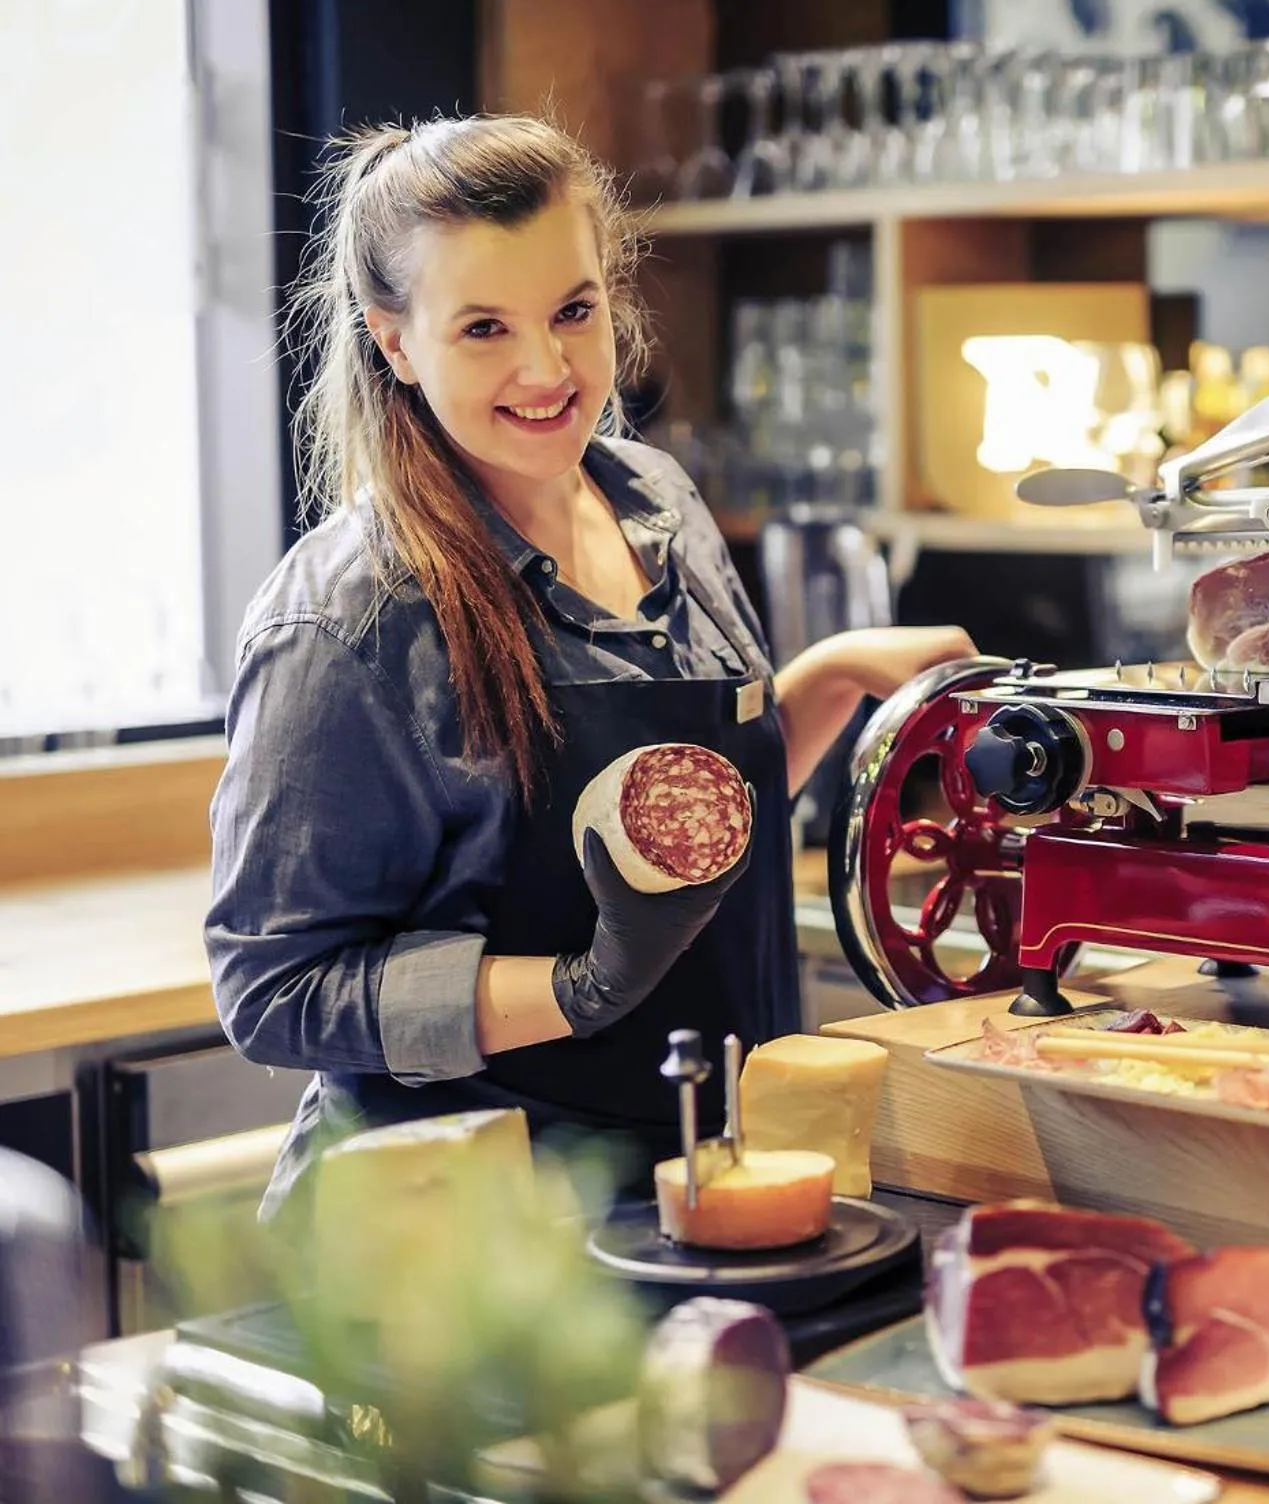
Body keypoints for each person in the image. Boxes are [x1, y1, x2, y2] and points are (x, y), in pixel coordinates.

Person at [205, 114, 976, 1217]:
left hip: (704, 1169)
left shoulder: (653, 501)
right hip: (468, 1244)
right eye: (482, 328)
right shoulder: (347, 620)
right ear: (393, 342)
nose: (545, 367)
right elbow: (274, 992)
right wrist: (578, 990)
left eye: (574, 310)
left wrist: (831, 680)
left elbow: (691, 824)